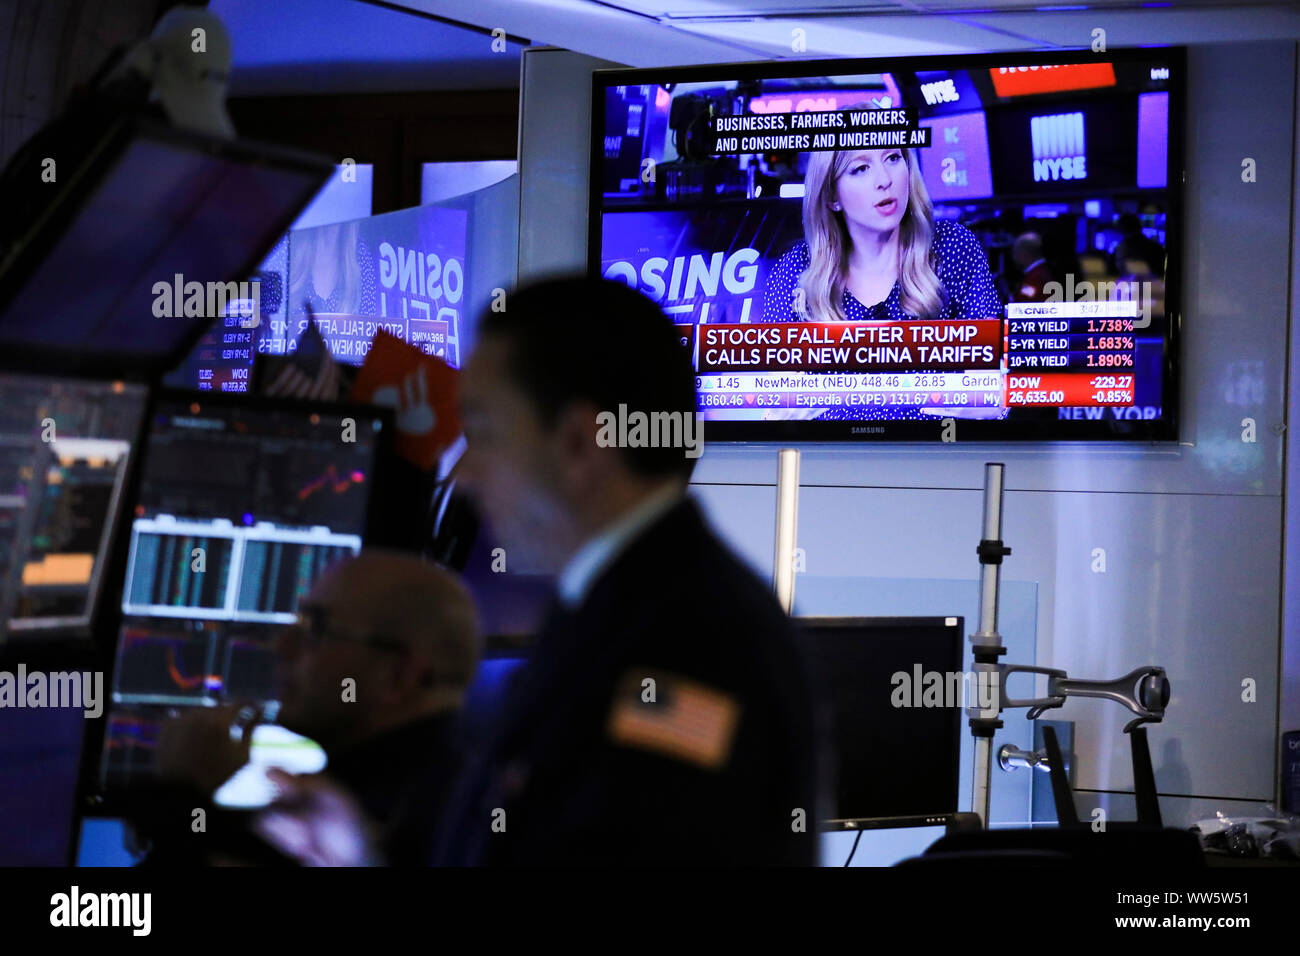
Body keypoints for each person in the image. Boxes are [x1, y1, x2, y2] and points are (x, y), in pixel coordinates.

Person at [426, 275, 826, 865]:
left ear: (580, 445)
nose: (464, 475)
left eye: (483, 434)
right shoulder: (615, 601)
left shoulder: (695, 645)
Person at [136, 550, 479, 866]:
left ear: (398, 676)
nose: (282, 646)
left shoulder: (355, 822)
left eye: (316, 628)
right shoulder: (449, 790)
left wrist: (194, 796)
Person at [761, 141, 1003, 422]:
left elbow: (990, 387)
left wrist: (987, 402)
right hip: (830, 460)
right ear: (831, 196)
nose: (885, 180)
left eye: (892, 158)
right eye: (861, 168)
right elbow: (777, 403)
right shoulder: (795, 271)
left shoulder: (951, 247)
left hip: (937, 457)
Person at [1009, 232, 1055, 302]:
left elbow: (1023, 301)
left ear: (1024, 253)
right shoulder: (1045, 270)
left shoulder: (1035, 278)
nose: (1014, 258)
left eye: (1015, 253)